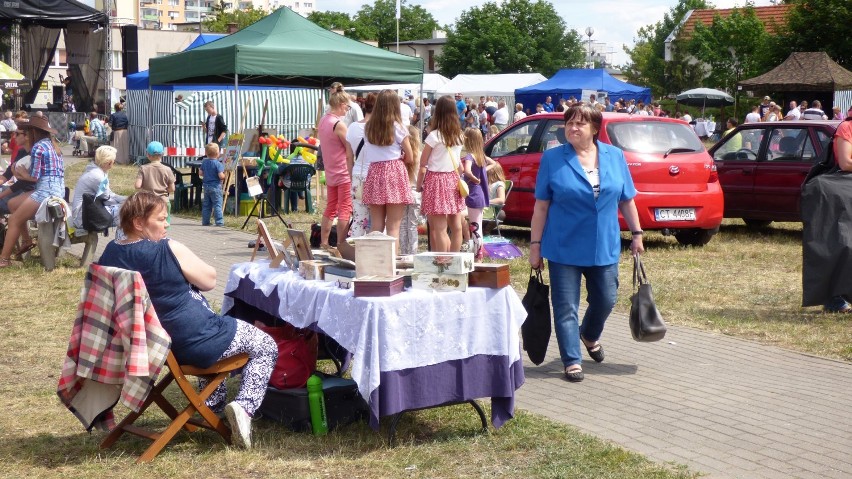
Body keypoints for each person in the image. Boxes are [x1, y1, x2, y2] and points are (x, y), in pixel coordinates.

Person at [97, 191, 276, 449]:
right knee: (265, 345)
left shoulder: (111, 253)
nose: (167, 224)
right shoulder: (166, 249)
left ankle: (210, 408)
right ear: (139, 223)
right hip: (191, 340)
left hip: (151, 346)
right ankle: (244, 408)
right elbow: (210, 280)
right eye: (160, 219)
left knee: (220, 338)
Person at [528, 104, 644, 383]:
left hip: (603, 244)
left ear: (595, 129)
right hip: (563, 245)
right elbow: (541, 206)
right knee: (565, 305)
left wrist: (637, 234)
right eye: (569, 123)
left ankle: (589, 334)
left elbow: (626, 199)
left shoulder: (614, 156)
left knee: (606, 299)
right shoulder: (553, 158)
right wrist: (535, 245)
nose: (573, 128)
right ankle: (571, 360)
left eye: (580, 124)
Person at [0, 116, 65, 268]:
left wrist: (20, 174)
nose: (26, 134)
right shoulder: (52, 145)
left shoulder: (38, 148)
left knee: (14, 220)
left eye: (27, 130)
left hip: (45, 191)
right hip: (57, 189)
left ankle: (4, 259)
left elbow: (34, 177)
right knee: (13, 203)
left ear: (33, 132)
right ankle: (27, 241)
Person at [361, 89, 414, 248]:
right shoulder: (398, 127)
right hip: (394, 172)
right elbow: (410, 157)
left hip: (375, 171)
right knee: (393, 228)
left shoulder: (368, 127)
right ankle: (391, 265)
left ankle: (373, 262)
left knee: (376, 226)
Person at [416, 95, 465, 253]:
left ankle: (444, 263)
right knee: (456, 228)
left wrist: (418, 185)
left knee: (439, 229)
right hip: (452, 179)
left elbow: (423, 164)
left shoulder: (434, 136)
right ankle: (454, 261)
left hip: (436, 181)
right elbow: (459, 166)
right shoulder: (459, 135)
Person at [317, 90, 354, 247]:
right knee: (345, 209)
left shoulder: (323, 120)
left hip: (331, 171)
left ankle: (324, 242)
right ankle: (340, 244)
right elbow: (350, 148)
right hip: (343, 172)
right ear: (341, 105)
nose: (347, 110)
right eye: (347, 107)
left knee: (331, 207)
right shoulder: (339, 125)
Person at [71, 145, 126, 233]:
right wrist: (128, 201)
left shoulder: (95, 171)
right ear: (109, 162)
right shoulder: (98, 176)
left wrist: (126, 199)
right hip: (83, 218)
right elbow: (108, 199)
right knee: (130, 211)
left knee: (127, 206)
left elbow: (109, 195)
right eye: (113, 160)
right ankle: (123, 242)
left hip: (83, 213)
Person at [345, 92, 376, 238]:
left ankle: (355, 252)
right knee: (378, 220)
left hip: (357, 173)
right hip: (375, 175)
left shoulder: (352, 127)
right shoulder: (380, 129)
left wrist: (351, 176)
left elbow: (349, 156)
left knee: (358, 219)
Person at [461, 128, 490, 259]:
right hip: (481, 195)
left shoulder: (469, 156)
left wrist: (472, 178)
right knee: (477, 225)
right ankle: (479, 252)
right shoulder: (481, 157)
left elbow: (466, 170)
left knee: (475, 226)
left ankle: (478, 254)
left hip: (473, 194)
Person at [135, 141, 176, 220]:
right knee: (163, 226)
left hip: (147, 201)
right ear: (162, 154)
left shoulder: (143, 168)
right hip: (163, 201)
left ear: (148, 155)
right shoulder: (167, 169)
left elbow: (137, 185)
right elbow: (172, 189)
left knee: (148, 224)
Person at [399, 125, 423, 255]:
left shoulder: (402, 156)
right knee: (413, 225)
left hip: (403, 192)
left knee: (402, 225)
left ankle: (403, 252)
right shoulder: (420, 155)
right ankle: (413, 253)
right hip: (416, 192)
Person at [199, 143, 225, 226]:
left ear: (206, 153)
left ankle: (205, 221)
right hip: (216, 186)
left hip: (206, 186)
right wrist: (225, 176)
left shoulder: (204, 162)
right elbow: (221, 176)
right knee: (217, 204)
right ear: (218, 154)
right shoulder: (218, 164)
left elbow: (200, 173)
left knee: (206, 205)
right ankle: (219, 222)